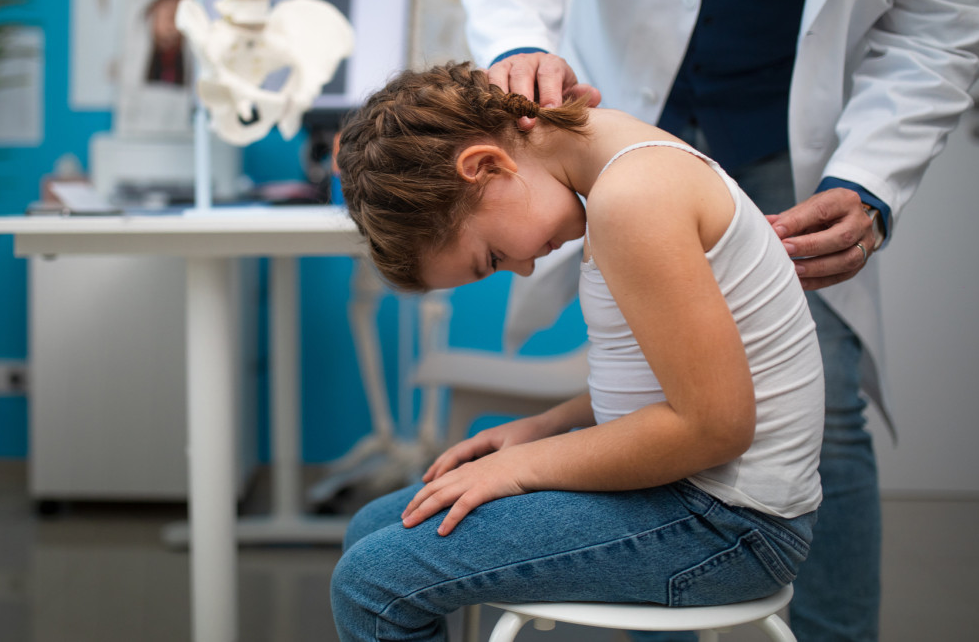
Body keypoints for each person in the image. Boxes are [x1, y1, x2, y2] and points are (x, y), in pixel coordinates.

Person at [459, 0, 979, 640]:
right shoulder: (616, 184)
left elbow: (938, 27)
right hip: (623, 98)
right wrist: (521, 45)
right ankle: (667, 611)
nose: (518, 266)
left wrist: (869, 178)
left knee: (825, 406)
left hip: (785, 136)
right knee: (652, 383)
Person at [330, 63, 825, 642]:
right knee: (371, 527)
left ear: (486, 166)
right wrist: (545, 426)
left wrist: (521, 468)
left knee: (373, 583)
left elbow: (715, 427)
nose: (522, 267)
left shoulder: (635, 199)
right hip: (700, 499)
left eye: (490, 256)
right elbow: (666, 378)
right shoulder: (620, 173)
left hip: (727, 525)